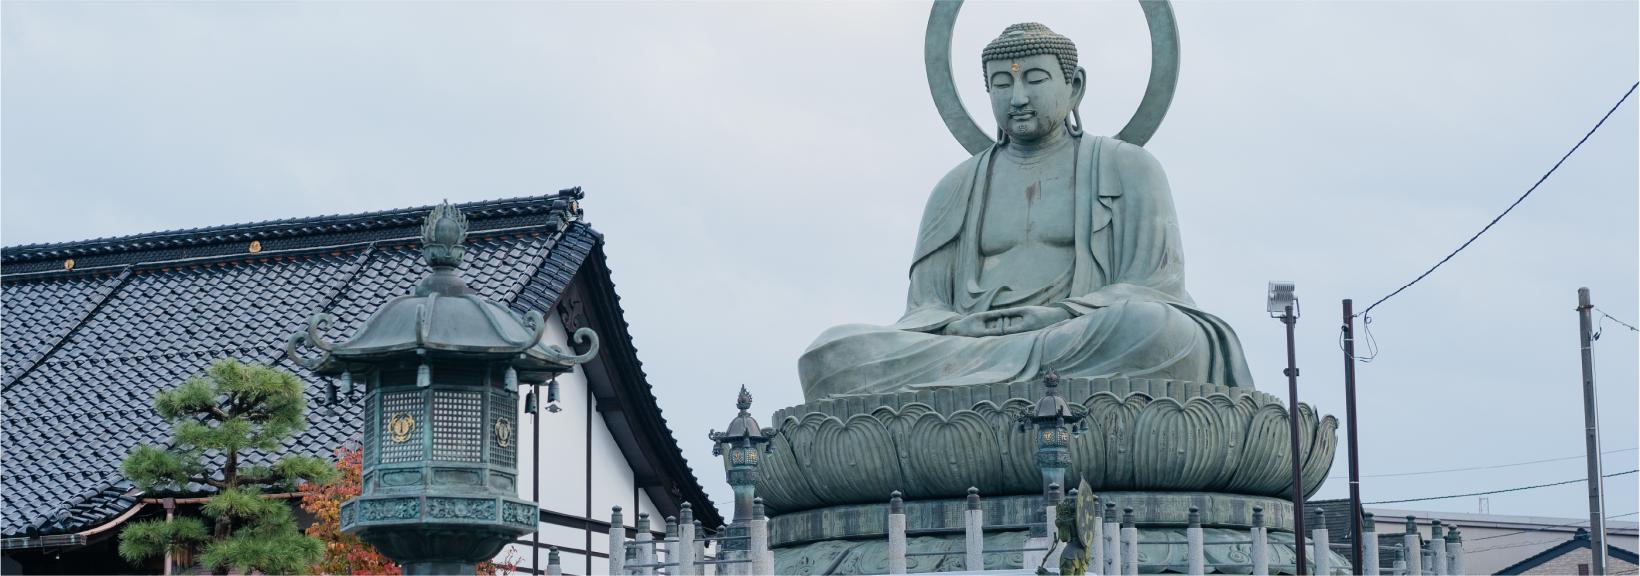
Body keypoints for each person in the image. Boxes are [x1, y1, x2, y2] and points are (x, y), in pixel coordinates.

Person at [798, 23, 1254, 402]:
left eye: (1034, 79)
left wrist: (1059, 316)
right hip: (968, 346)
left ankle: (967, 394)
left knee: (1156, 329)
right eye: (1001, 83)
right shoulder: (956, 187)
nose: (1016, 97)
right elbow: (925, 307)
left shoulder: (1129, 167)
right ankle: (986, 385)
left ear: (1074, 87)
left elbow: (1155, 288)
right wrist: (961, 325)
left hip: (1075, 336)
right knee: (833, 353)